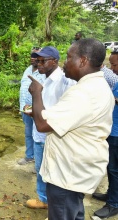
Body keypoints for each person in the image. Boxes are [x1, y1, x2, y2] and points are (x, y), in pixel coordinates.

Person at [28, 38, 114, 220]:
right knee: (73, 212)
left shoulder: (83, 92)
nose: (65, 63)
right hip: (77, 171)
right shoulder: (96, 86)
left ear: (82, 60)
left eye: (68, 58)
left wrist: (36, 93)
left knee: (63, 212)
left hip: (67, 175)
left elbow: (43, 125)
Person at [23, 46, 76, 209]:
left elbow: (67, 111)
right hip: (40, 134)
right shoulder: (44, 78)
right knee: (41, 169)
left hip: (53, 136)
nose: (39, 64)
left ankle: (57, 210)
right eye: (37, 60)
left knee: (55, 176)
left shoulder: (64, 81)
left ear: (55, 61)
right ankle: (44, 199)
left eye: (43, 60)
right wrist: (34, 111)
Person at [93, 50, 118, 219]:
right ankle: (111, 194)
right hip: (112, 129)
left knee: (115, 169)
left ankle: (114, 204)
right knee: (111, 167)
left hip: (117, 133)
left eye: (115, 64)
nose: (112, 67)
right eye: (110, 63)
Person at [18, 49, 46, 165]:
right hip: (25, 107)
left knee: (39, 136)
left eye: (36, 57)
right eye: (32, 56)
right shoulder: (28, 69)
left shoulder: (43, 72)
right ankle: (29, 156)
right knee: (28, 132)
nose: (32, 58)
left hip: (37, 109)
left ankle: (40, 162)